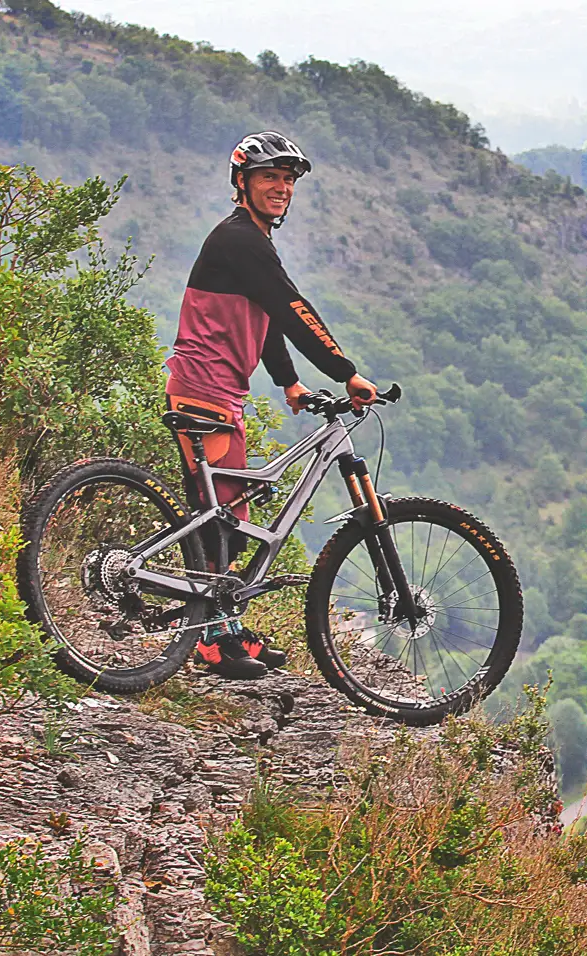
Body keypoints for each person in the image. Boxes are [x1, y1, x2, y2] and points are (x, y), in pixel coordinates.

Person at [165, 131, 379, 679]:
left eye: (287, 180)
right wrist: (345, 372)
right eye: (270, 178)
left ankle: (227, 628)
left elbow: (260, 321)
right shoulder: (241, 240)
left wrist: (288, 382)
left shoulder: (250, 241)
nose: (281, 188)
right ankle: (211, 640)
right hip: (206, 389)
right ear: (243, 183)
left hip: (217, 389)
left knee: (231, 511)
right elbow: (290, 309)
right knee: (221, 518)